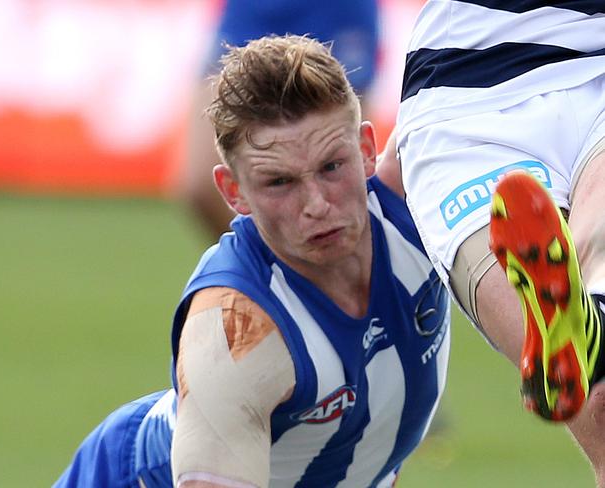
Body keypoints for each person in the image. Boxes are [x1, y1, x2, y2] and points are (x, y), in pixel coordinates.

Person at [55, 35, 450, 487]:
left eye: (332, 167)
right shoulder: (233, 335)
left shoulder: (417, 196)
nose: (317, 204)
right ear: (233, 192)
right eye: (279, 182)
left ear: (365, 149)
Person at [395, 1, 605, 484]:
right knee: (595, 400)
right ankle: (583, 322)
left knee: (592, 386)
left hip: (593, 67)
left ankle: (586, 322)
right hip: (463, 109)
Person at [181, 0, 380, 239]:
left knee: (343, 171)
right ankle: (275, 268)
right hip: (252, 11)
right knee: (200, 186)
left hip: (334, 10)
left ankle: (340, 269)